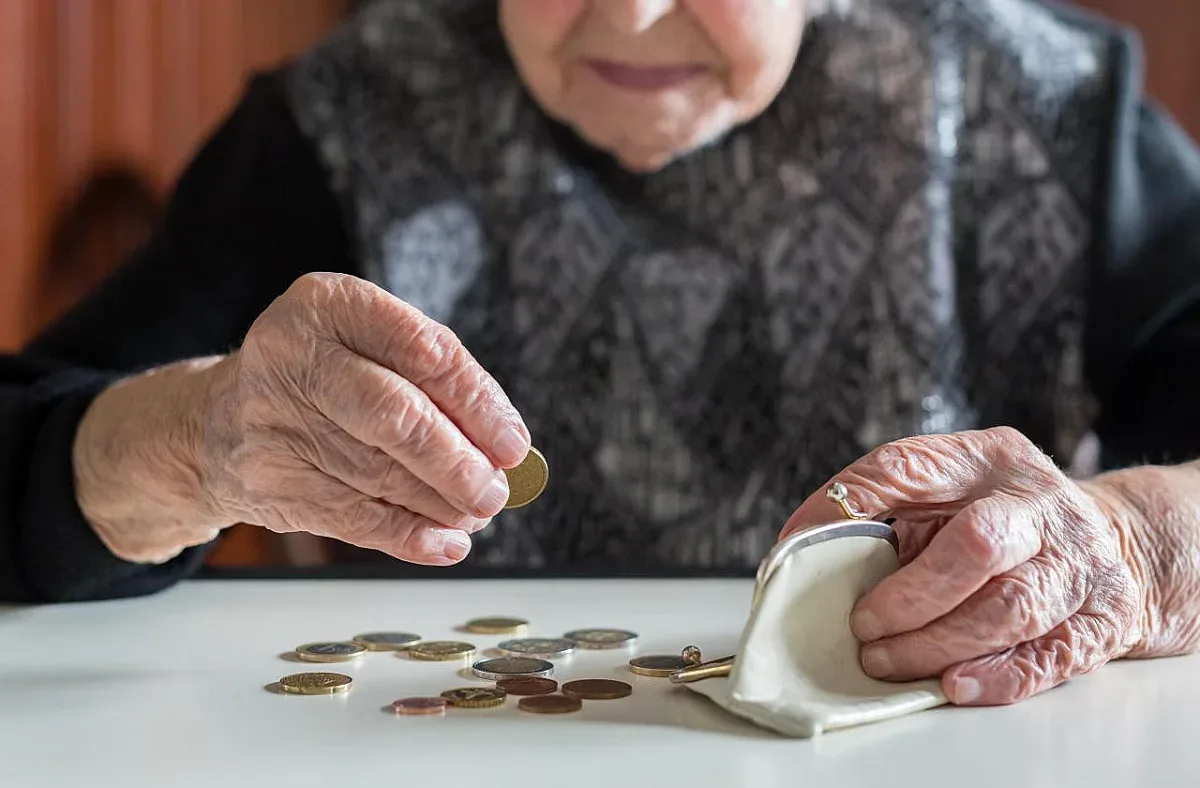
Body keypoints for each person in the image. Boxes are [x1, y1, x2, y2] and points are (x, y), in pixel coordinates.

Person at [3, 0, 1200, 708]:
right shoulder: (344, 120)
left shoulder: (1048, 113)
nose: (626, 14)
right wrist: (190, 441)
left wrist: (1140, 544)